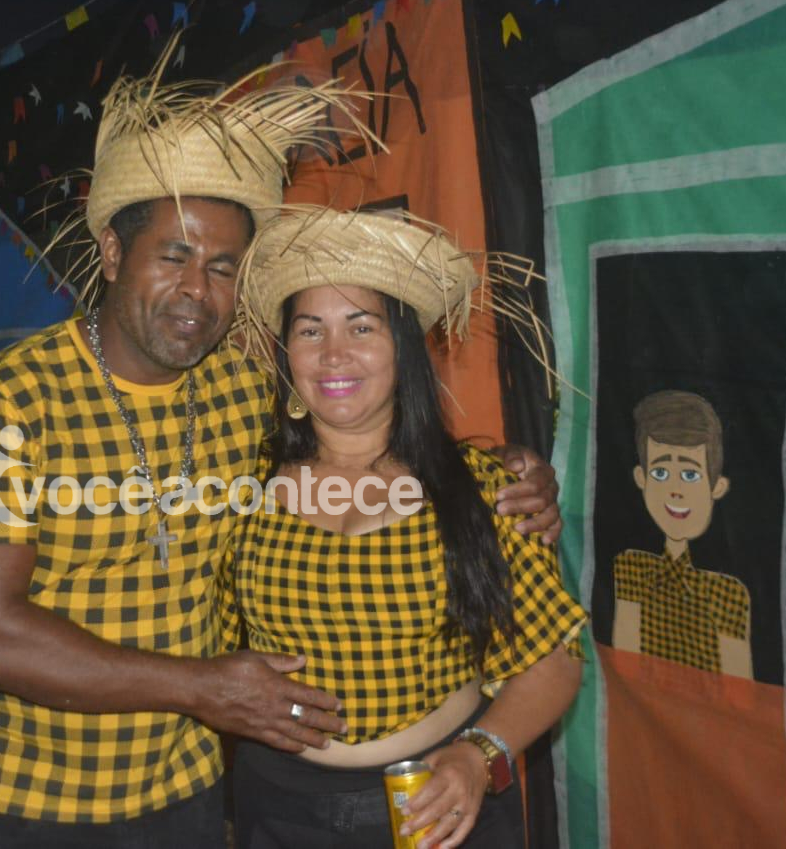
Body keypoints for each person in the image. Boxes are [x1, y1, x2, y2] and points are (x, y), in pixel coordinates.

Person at [0, 44, 564, 848]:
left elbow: (359, 419)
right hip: (34, 800)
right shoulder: (7, 405)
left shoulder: (240, 394)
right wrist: (202, 688)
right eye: (175, 256)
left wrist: (511, 472)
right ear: (114, 253)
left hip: (191, 792)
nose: (198, 289)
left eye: (224, 267)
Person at [227, 206, 587, 849]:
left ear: (403, 348)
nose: (333, 354)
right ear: (287, 354)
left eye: (361, 326)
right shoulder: (241, 489)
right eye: (310, 330)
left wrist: (479, 754)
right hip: (276, 808)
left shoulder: (483, 490)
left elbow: (553, 659)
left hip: (439, 803)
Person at [611, 389, 751, 678]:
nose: (675, 490)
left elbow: (739, 688)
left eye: (690, 475)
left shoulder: (727, 593)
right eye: (660, 473)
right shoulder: (631, 567)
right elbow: (625, 667)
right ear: (641, 478)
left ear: (717, 486)